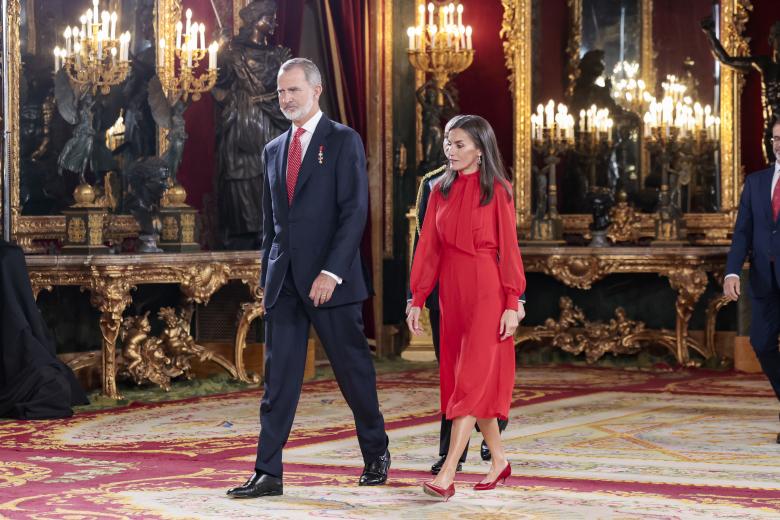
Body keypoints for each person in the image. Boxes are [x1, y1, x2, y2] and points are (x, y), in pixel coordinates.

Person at [226, 58, 389, 499]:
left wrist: (331, 272)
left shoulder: (342, 141)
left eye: (294, 90)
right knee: (278, 381)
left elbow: (354, 212)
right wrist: (267, 280)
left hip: (331, 283)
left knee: (353, 373)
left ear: (316, 91)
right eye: (281, 92)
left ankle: (376, 453)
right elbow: (270, 224)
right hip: (285, 284)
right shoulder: (274, 149)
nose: (286, 99)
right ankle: (268, 472)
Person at [407, 115, 526, 500]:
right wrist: (418, 297)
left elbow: (509, 250)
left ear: (480, 148)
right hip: (452, 294)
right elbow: (429, 249)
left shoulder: (498, 191)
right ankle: (500, 462)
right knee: (466, 381)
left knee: (471, 381)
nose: (450, 150)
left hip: (488, 290)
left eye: (459, 144)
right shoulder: (439, 189)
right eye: (447, 142)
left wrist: (512, 301)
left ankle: (446, 475)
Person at [213, 0, 291, 250]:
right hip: (239, 121)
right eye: (270, 17)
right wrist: (220, 53)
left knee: (269, 175)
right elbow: (217, 85)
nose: (274, 23)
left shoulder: (278, 55)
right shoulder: (232, 52)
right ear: (256, 19)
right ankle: (242, 231)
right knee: (239, 174)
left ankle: (267, 230)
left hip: (270, 121)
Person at [724, 119, 780, 443]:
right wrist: (732, 272)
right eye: (775, 138)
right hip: (762, 280)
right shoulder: (756, 182)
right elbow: (742, 232)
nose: (778, 144)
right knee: (760, 343)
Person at [701, 18, 780, 161]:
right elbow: (726, 60)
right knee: (772, 175)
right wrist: (710, 34)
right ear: (772, 40)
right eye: (779, 37)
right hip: (771, 131)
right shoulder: (763, 64)